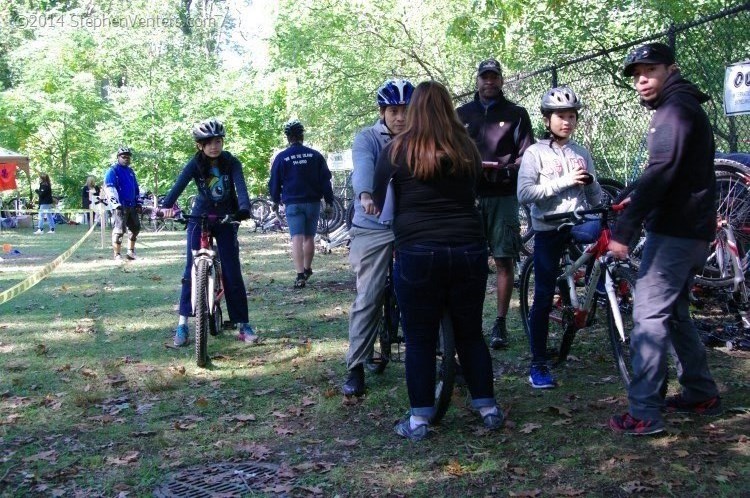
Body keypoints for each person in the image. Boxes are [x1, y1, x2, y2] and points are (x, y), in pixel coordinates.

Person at [372, 81, 503, 440]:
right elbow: (475, 188)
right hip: (468, 249)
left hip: (417, 251)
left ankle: (419, 420)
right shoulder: (467, 149)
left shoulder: (397, 149)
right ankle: (488, 407)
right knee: (471, 333)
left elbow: (381, 200)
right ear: (449, 108)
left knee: (419, 338)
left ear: (413, 111)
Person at [608, 43, 721, 435]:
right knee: (673, 313)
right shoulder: (683, 107)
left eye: (650, 71)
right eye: (636, 74)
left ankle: (644, 413)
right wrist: (629, 192)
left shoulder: (672, 111)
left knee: (648, 316)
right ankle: (700, 391)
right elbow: (668, 170)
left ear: (671, 70)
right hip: (693, 232)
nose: (641, 79)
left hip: (674, 233)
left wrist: (625, 231)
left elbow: (661, 169)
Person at [517, 86, 602, 389]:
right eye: (560, 116)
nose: (567, 122)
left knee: (604, 239)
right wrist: (565, 181)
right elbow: (525, 193)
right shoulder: (535, 153)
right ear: (547, 119)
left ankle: (601, 292)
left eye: (571, 116)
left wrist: (591, 185)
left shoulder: (581, 153)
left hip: (578, 224)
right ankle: (538, 363)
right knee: (542, 296)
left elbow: (595, 198)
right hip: (548, 227)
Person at [342, 78, 414, 397]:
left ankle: (446, 357)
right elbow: (363, 168)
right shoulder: (367, 138)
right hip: (372, 224)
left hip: (411, 225)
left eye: (406, 111)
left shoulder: (420, 138)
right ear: (383, 112)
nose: (400, 117)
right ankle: (356, 366)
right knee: (369, 296)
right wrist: (366, 194)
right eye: (394, 111)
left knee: (430, 288)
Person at [457, 58, 535, 349]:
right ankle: (468, 322)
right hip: (468, 196)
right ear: (476, 80)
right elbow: (449, 151)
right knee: (469, 262)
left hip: (503, 195)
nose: (489, 82)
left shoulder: (516, 114)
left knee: (503, 259)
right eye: (484, 77)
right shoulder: (461, 114)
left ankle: (500, 323)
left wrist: (505, 169)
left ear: (501, 80)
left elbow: (527, 155)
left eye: (494, 77)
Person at [160, 118, 257, 346]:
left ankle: (243, 324)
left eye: (218, 141)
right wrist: (166, 206)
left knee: (232, 272)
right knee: (189, 270)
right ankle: (183, 324)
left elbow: (240, 187)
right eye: (209, 142)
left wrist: (243, 209)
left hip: (226, 218)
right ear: (200, 145)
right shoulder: (194, 164)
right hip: (200, 216)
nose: (214, 146)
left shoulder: (231, 162)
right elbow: (178, 186)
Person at [268, 120, 335, 289]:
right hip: (312, 202)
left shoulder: (282, 157)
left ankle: (299, 276)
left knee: (296, 238)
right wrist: (329, 202)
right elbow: (325, 181)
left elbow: (274, 182)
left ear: (288, 138)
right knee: (309, 237)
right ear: (302, 136)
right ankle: (307, 269)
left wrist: (275, 200)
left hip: (293, 203)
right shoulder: (315, 155)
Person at [104, 147, 142, 261]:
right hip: (120, 206)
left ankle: (130, 252)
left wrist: (138, 202)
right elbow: (109, 188)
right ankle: (117, 254)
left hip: (132, 205)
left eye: (128, 157)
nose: (126, 159)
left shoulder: (131, 171)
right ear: (118, 157)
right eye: (123, 157)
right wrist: (115, 204)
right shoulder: (113, 170)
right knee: (119, 230)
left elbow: (135, 188)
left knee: (135, 229)